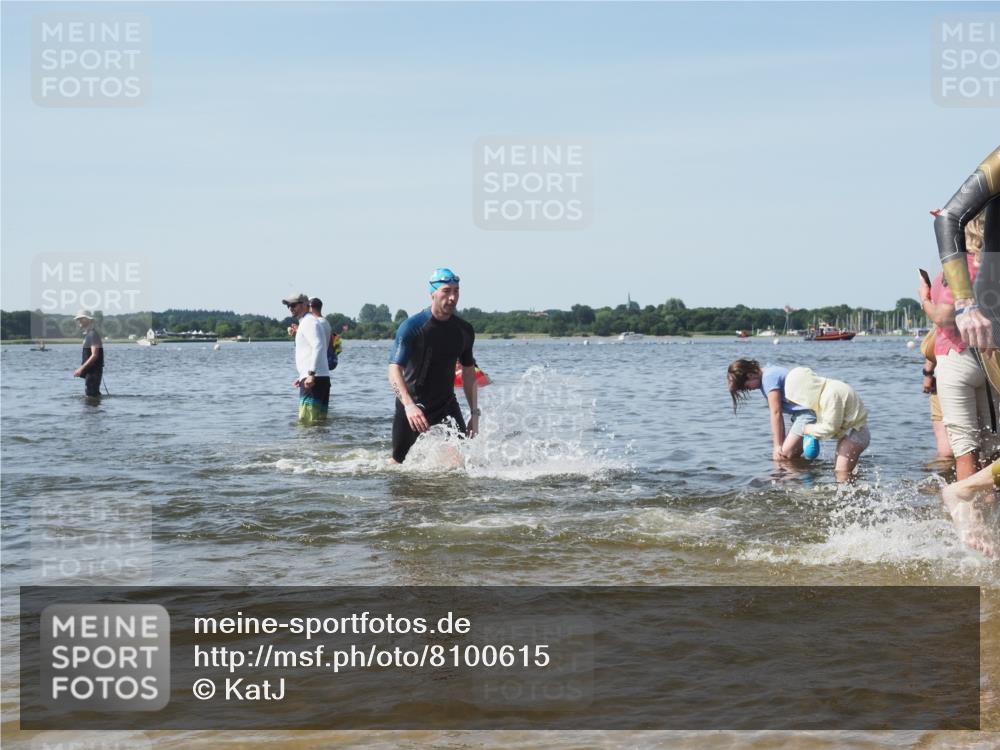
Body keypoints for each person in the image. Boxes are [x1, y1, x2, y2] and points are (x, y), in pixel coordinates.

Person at [919, 212, 995, 479]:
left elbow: (944, 318)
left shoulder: (957, 266)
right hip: (989, 360)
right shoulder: (993, 265)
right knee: (991, 446)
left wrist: (924, 298)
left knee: (965, 447)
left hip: (955, 358)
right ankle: (990, 513)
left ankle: (968, 517)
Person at [387, 268, 479, 463]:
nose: (452, 297)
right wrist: (409, 405)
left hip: (446, 405)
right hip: (414, 405)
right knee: (397, 464)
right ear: (433, 294)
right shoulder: (412, 327)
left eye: (456, 291)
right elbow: (394, 370)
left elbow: (469, 373)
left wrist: (474, 413)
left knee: (464, 461)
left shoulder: (464, 330)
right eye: (446, 291)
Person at [783, 367, 870, 482]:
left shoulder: (830, 395)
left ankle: (847, 496)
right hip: (849, 433)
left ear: (805, 389)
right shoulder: (825, 392)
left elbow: (831, 428)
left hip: (856, 434)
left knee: (841, 472)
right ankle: (854, 491)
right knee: (843, 471)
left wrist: (809, 430)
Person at [727, 359, 816, 461]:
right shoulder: (769, 371)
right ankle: (803, 470)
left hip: (807, 413)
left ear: (750, 375)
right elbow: (778, 415)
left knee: (783, 457)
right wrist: (780, 444)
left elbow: (776, 413)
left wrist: (777, 446)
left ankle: (810, 439)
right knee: (791, 457)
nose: (749, 390)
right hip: (804, 413)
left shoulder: (768, 378)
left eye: (746, 387)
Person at [282, 292, 330, 423]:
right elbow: (310, 351)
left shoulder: (308, 322)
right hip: (318, 377)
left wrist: (311, 374)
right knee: (319, 424)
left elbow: (318, 346)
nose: (290, 308)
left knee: (307, 423)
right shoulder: (307, 322)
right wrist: (303, 375)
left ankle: (308, 444)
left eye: (293, 305)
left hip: (314, 380)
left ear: (304, 305)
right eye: (288, 306)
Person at [918, 329, 954, 461]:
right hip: (987, 377)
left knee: (945, 445)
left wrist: (928, 373)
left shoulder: (946, 312)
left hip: (946, 378)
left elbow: (934, 344)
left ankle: (947, 476)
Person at [72, 310, 103, 398]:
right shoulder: (89, 335)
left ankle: (93, 411)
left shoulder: (93, 335)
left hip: (94, 372)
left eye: (81, 319)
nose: (79, 321)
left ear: (87, 320)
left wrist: (80, 369)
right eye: (78, 319)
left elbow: (94, 355)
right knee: (92, 395)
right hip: (91, 372)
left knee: (91, 396)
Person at [310, 297, 341, 371]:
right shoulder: (325, 322)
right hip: (324, 364)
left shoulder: (318, 323)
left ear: (311, 307)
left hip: (319, 367)